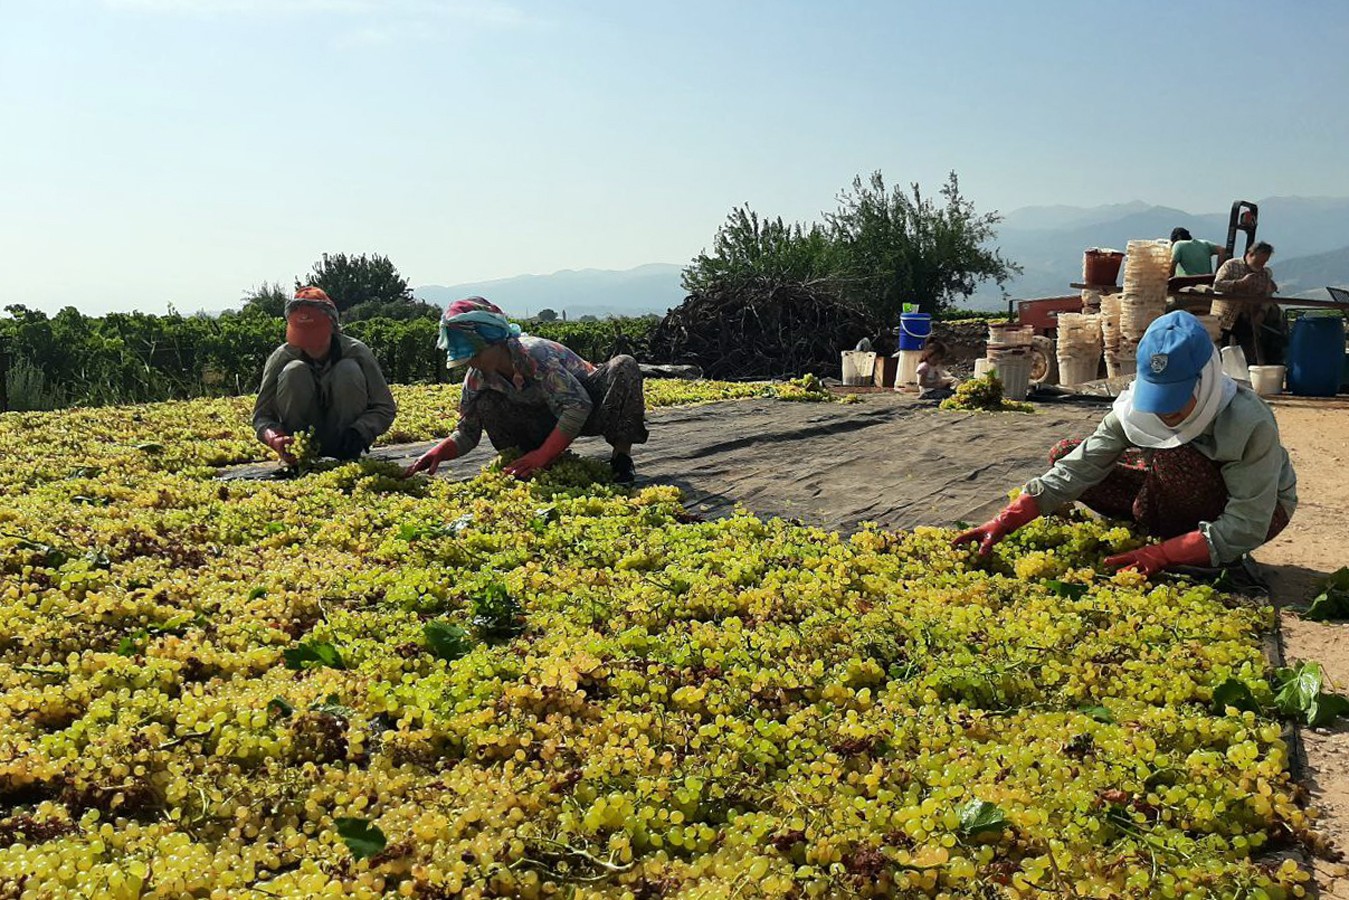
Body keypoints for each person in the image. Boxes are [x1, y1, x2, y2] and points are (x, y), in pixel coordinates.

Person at [954, 310, 1296, 576]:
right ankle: (1169, 532)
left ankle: (1184, 544)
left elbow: (1249, 521)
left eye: (1176, 398)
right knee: (1066, 453)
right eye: (1158, 399)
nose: (1165, 413)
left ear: (1205, 379)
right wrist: (1007, 518)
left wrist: (1163, 555)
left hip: (1256, 514)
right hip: (1175, 495)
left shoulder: (1248, 420)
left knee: (1175, 456)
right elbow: (1081, 465)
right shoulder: (1136, 411)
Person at [403, 297, 648, 483]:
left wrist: (544, 455)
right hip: (543, 418)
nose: (471, 361)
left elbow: (578, 406)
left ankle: (621, 457)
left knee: (623, 365)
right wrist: (439, 452)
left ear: (495, 340)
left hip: (590, 406)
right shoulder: (477, 378)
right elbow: (468, 432)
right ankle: (526, 460)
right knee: (485, 401)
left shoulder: (535, 355)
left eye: (474, 353)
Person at [252, 287, 397, 465]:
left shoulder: (356, 352)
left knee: (348, 370)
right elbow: (261, 416)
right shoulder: (282, 357)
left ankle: (346, 450)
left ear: (333, 327)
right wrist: (275, 438)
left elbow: (385, 407)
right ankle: (301, 451)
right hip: (300, 446)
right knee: (294, 371)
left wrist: (360, 431)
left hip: (345, 441)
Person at [1213, 241, 1285, 364]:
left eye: (1264, 262)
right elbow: (1217, 286)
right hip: (1224, 316)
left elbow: (1266, 297)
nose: (1262, 265)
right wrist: (1239, 283)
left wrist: (1261, 313)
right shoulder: (1231, 265)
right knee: (1219, 349)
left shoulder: (1263, 275)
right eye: (1259, 261)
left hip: (1246, 317)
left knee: (1248, 350)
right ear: (1251, 255)